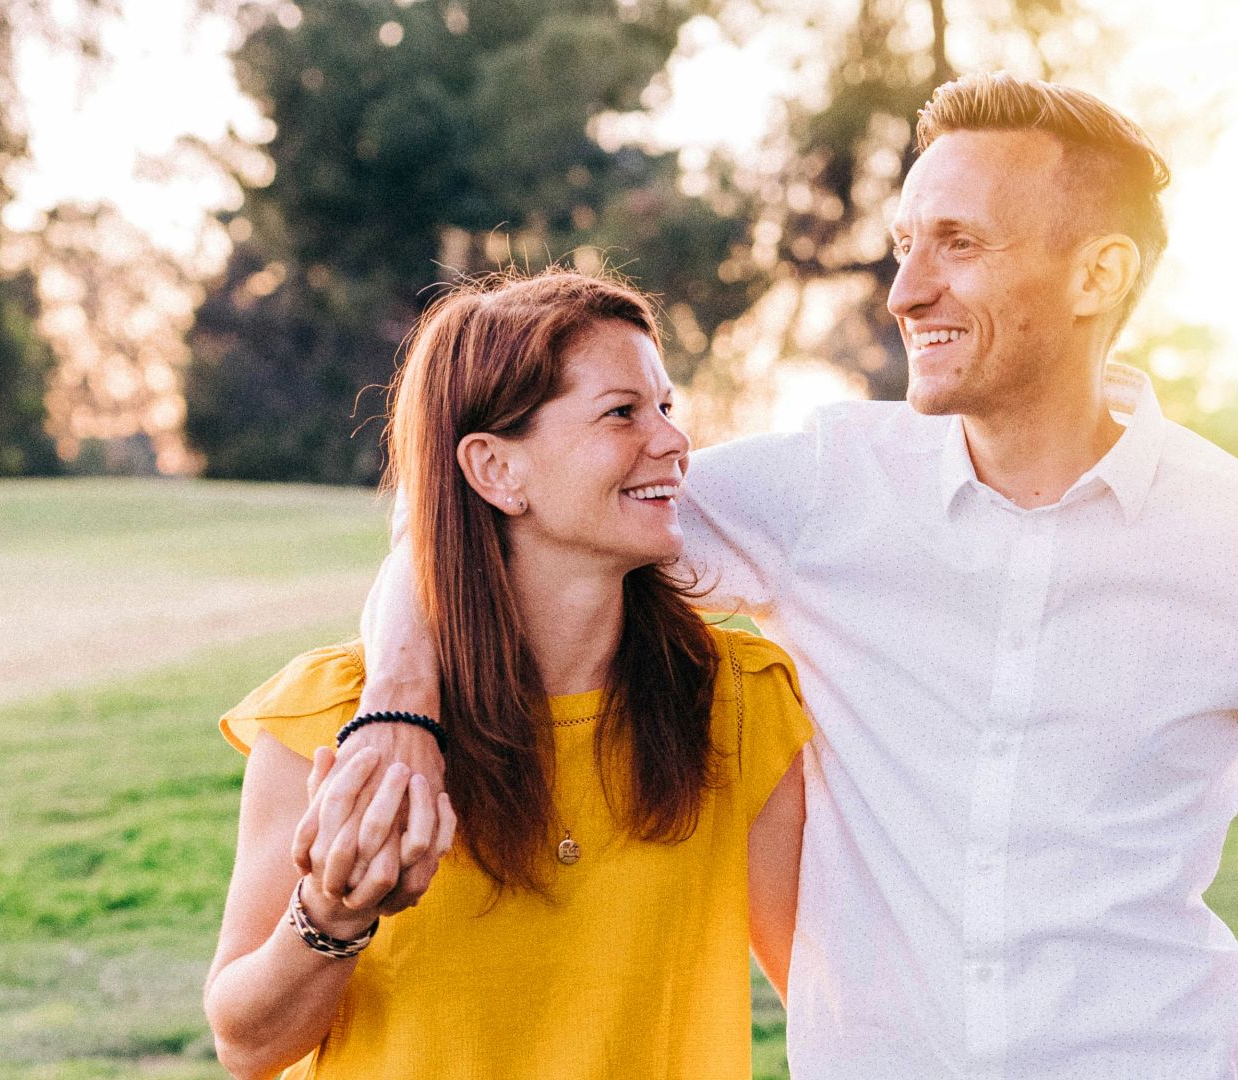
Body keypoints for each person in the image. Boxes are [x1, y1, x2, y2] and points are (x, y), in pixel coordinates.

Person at [330, 74, 1238, 1079]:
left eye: (958, 244)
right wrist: (398, 712)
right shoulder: (828, 485)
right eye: (905, 242)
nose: (904, 290)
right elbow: (472, 531)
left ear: (1098, 274)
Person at [201, 271, 811, 1079]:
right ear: (494, 470)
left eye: (666, 407)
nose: (672, 441)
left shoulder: (737, 703)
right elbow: (246, 1045)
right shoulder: (334, 716)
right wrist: (333, 915)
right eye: (622, 412)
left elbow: (831, 994)